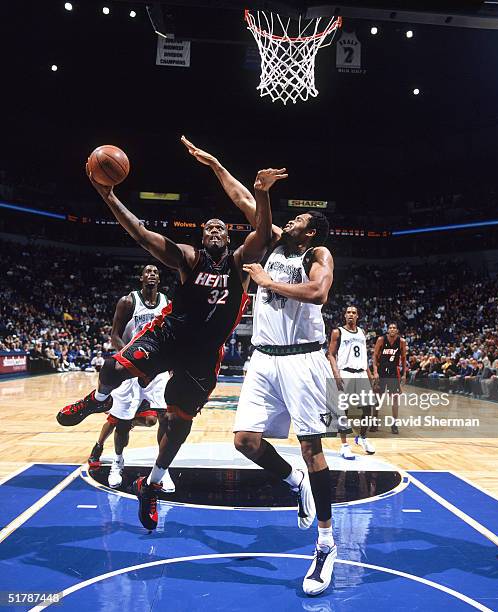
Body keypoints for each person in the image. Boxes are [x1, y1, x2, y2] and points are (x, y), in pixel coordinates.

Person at [57, 143, 284, 531]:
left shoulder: (241, 264)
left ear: (229, 237)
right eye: (208, 227)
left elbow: (263, 234)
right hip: (168, 336)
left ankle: (153, 482)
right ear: (201, 236)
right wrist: (109, 197)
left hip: (203, 355)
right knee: (113, 369)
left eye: (221, 227)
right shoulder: (190, 258)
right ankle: (97, 401)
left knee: (179, 423)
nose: (215, 228)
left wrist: (259, 194)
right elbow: (144, 237)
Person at [195, 146, 339, 595]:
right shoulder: (275, 240)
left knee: (313, 448)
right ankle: (293, 482)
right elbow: (244, 201)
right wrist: (220, 166)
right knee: (245, 441)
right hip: (264, 357)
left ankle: (326, 543)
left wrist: (268, 283)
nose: (289, 220)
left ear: (310, 230)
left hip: (303, 357)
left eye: (298, 219)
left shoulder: (318, 253)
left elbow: (317, 294)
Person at [87, 264, 174, 492]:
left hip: (156, 369)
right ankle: (117, 462)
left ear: (160, 278)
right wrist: (129, 360)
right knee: (122, 422)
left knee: (164, 418)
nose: (152, 274)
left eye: (155, 272)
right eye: (148, 271)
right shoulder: (128, 301)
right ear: (141, 278)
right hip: (130, 368)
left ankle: (162, 470)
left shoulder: (167, 303)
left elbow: (171, 336)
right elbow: (114, 335)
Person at [327, 305, 375, 457]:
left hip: (361, 373)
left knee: (368, 409)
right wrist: (336, 373)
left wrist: (369, 373)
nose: (351, 315)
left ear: (357, 316)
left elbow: (363, 356)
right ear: (344, 315)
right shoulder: (338, 332)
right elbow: (331, 354)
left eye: (354, 313)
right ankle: (344, 445)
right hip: (345, 373)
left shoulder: (362, 332)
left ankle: (362, 437)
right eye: (348, 312)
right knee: (344, 411)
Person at [372, 323, 407, 434]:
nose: (392, 329)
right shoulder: (381, 339)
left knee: (395, 399)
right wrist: (375, 372)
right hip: (382, 371)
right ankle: (374, 422)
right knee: (378, 398)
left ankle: (394, 424)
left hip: (393, 372)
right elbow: (375, 356)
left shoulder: (401, 342)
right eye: (390, 328)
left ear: (397, 330)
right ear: (388, 330)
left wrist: (404, 374)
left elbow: (404, 358)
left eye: (394, 328)